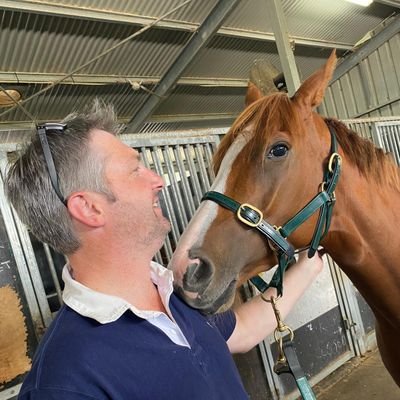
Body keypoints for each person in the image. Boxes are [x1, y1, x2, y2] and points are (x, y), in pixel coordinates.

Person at [5, 100, 323, 400]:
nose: (158, 180)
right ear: (89, 207)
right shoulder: (64, 383)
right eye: (135, 170)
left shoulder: (174, 294)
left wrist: (308, 266)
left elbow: (244, 331)